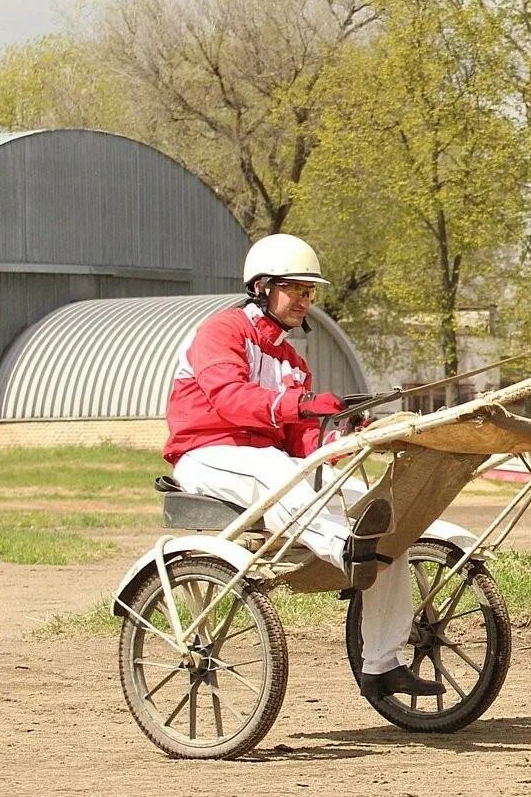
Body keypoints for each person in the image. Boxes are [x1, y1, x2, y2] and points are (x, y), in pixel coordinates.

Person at [164, 233, 441, 698]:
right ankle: (346, 550)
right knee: (272, 472)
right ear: (262, 287)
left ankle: (382, 664)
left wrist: (346, 436)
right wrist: (302, 403)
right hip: (206, 455)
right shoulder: (222, 332)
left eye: (309, 291)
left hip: (268, 461)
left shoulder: (292, 360)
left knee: (385, 516)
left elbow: (302, 442)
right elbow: (231, 401)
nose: (305, 300)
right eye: (295, 289)